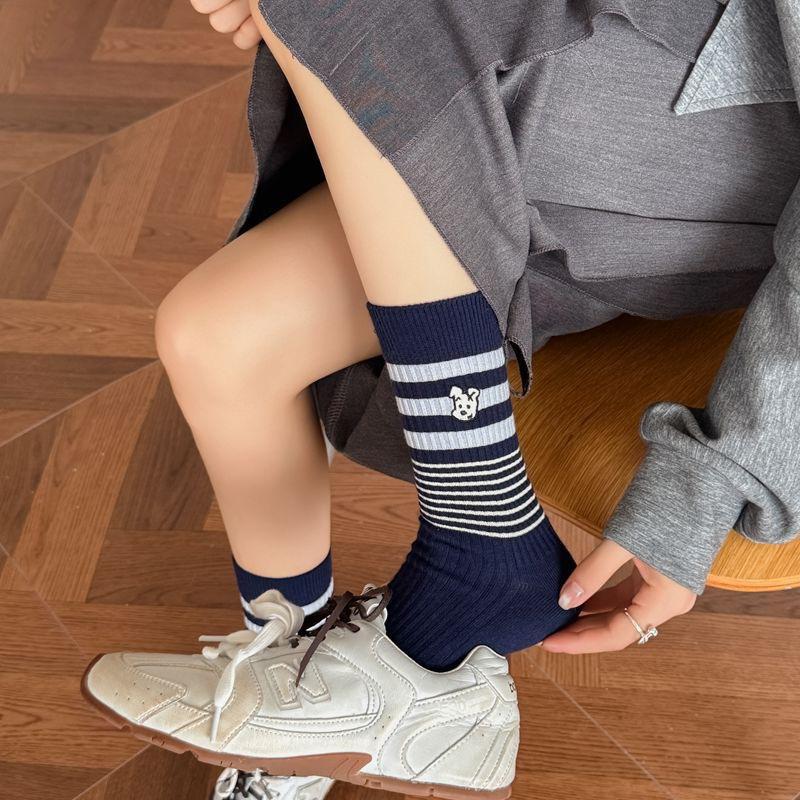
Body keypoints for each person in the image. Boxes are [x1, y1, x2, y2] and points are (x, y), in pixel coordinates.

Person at [81, 2, 800, 799]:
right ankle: (303, 691)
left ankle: (480, 529)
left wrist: (708, 482)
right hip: (564, 49)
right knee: (215, 336)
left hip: (720, 121)